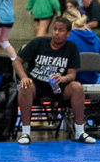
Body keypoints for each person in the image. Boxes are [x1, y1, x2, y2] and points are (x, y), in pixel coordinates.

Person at [13, 17, 95, 145]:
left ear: (68, 33)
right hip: (37, 84)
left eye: (61, 30)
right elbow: (17, 61)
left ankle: (80, 132)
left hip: (58, 86)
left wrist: (63, 78)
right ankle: (26, 133)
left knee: (77, 87)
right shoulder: (38, 42)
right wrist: (24, 77)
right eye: (55, 29)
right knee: (25, 86)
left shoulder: (72, 48)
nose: (56, 32)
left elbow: (72, 75)